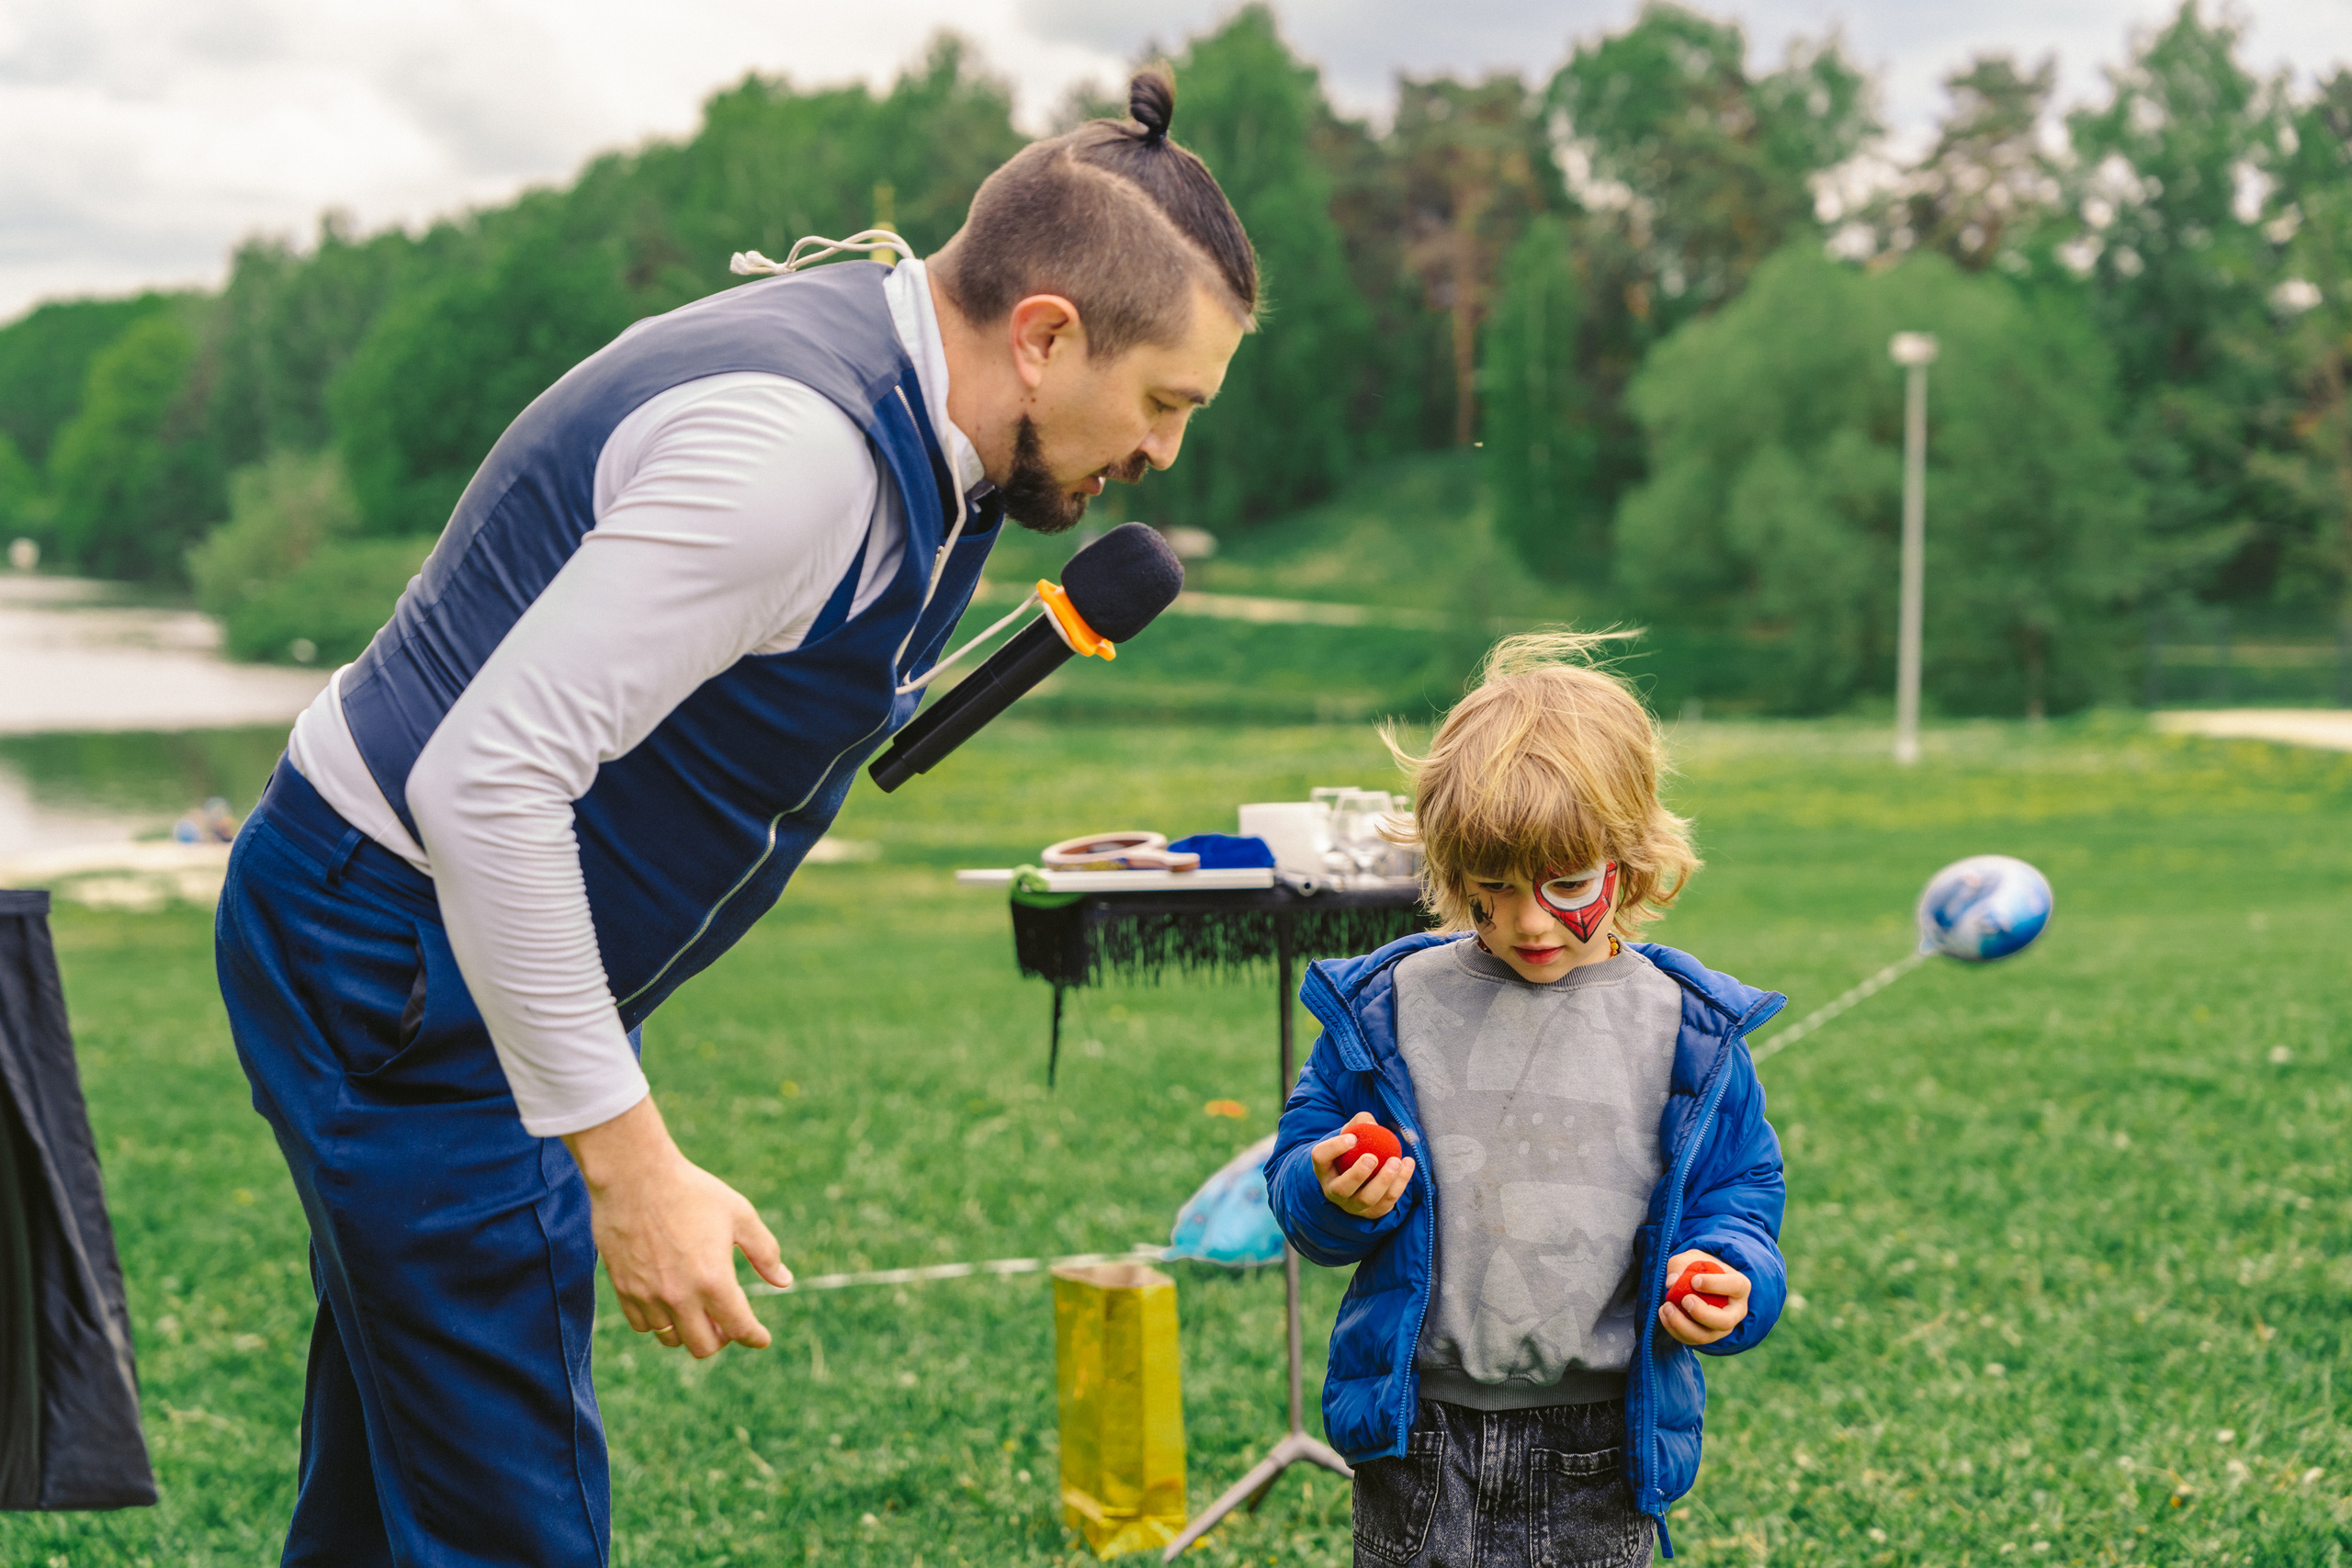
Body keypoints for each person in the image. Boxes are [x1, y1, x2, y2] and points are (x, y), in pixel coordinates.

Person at [213, 69, 1254, 1566]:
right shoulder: (798, 458)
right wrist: (631, 1167)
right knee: (511, 1516)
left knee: (410, 1463)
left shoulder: (917, 402)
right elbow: (484, 780)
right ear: (1045, 335)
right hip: (390, 952)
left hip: (415, 935)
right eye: (1163, 403)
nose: (1162, 453)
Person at [1265, 633, 1790, 1566]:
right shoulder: (1387, 1009)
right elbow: (1301, 1178)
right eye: (1491, 888)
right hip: (1419, 1440)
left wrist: (1727, 1274)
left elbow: (1737, 1194)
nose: (1528, 920)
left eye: (1565, 884)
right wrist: (1329, 1187)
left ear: (1630, 858)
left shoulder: (1688, 1028)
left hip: (1602, 1445)